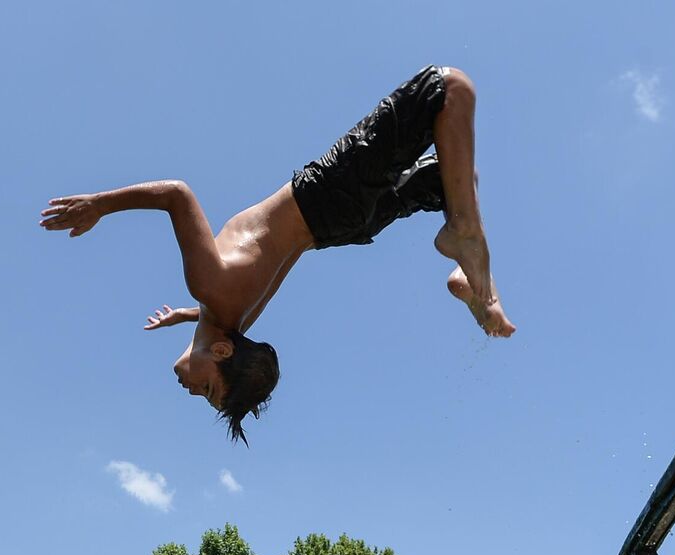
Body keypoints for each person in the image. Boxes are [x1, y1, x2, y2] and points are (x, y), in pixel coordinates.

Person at [42, 65, 514, 443]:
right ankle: (465, 238)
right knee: (448, 87)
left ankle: (473, 281)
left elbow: (219, 317)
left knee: (453, 177)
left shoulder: (232, 316)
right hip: (327, 195)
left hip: (343, 227)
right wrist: (100, 204)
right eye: (208, 388)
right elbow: (176, 194)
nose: (192, 391)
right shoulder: (212, 289)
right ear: (223, 350)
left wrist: (186, 317)